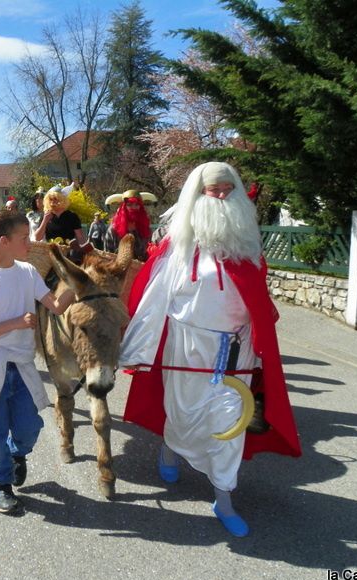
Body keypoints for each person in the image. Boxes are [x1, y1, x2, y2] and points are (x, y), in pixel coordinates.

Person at [119, 162, 301, 537]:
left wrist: (261, 338)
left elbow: (257, 303)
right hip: (187, 349)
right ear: (197, 195)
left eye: (226, 190)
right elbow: (153, 301)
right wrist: (136, 349)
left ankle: (224, 498)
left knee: (229, 427)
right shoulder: (178, 249)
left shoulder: (248, 248)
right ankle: (171, 448)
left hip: (237, 352)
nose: (220, 197)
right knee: (182, 416)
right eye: (212, 190)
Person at [0, 211, 75, 514]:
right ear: (4, 241)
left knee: (29, 428)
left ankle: (16, 455)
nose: (31, 241)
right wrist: (15, 323)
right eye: (24, 237)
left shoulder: (27, 272)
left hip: (22, 365)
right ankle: (0, 484)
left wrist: (79, 284)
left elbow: (55, 305)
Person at [104, 190, 151, 261]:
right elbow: (107, 256)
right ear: (123, 207)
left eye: (137, 204)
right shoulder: (113, 230)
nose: (134, 208)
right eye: (129, 205)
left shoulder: (145, 229)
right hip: (118, 270)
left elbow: (147, 252)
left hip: (141, 269)